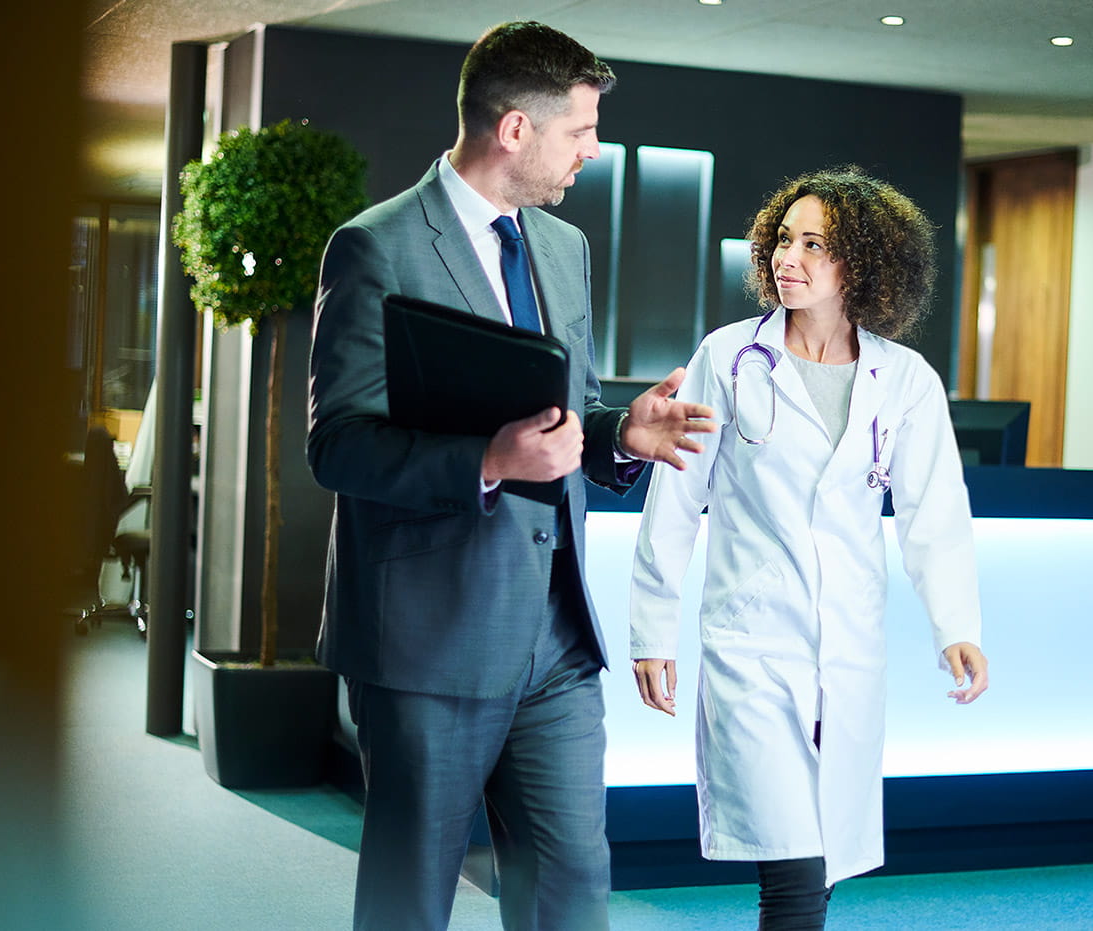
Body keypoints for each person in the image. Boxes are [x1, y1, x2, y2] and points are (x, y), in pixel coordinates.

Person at [306, 21, 716, 931]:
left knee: (574, 887)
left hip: (557, 641)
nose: (593, 149)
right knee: (411, 898)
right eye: (580, 131)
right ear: (516, 130)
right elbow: (338, 444)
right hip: (428, 641)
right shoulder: (374, 247)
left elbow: (562, 419)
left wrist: (620, 433)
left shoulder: (564, 249)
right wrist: (488, 460)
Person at [629, 166, 989, 929]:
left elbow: (934, 513)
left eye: (815, 244)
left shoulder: (906, 381)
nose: (788, 258)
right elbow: (676, 501)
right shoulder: (728, 358)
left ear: (862, 261)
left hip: (847, 653)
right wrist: (652, 628)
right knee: (793, 874)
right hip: (752, 648)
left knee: (821, 866)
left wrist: (956, 625)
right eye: (784, 239)